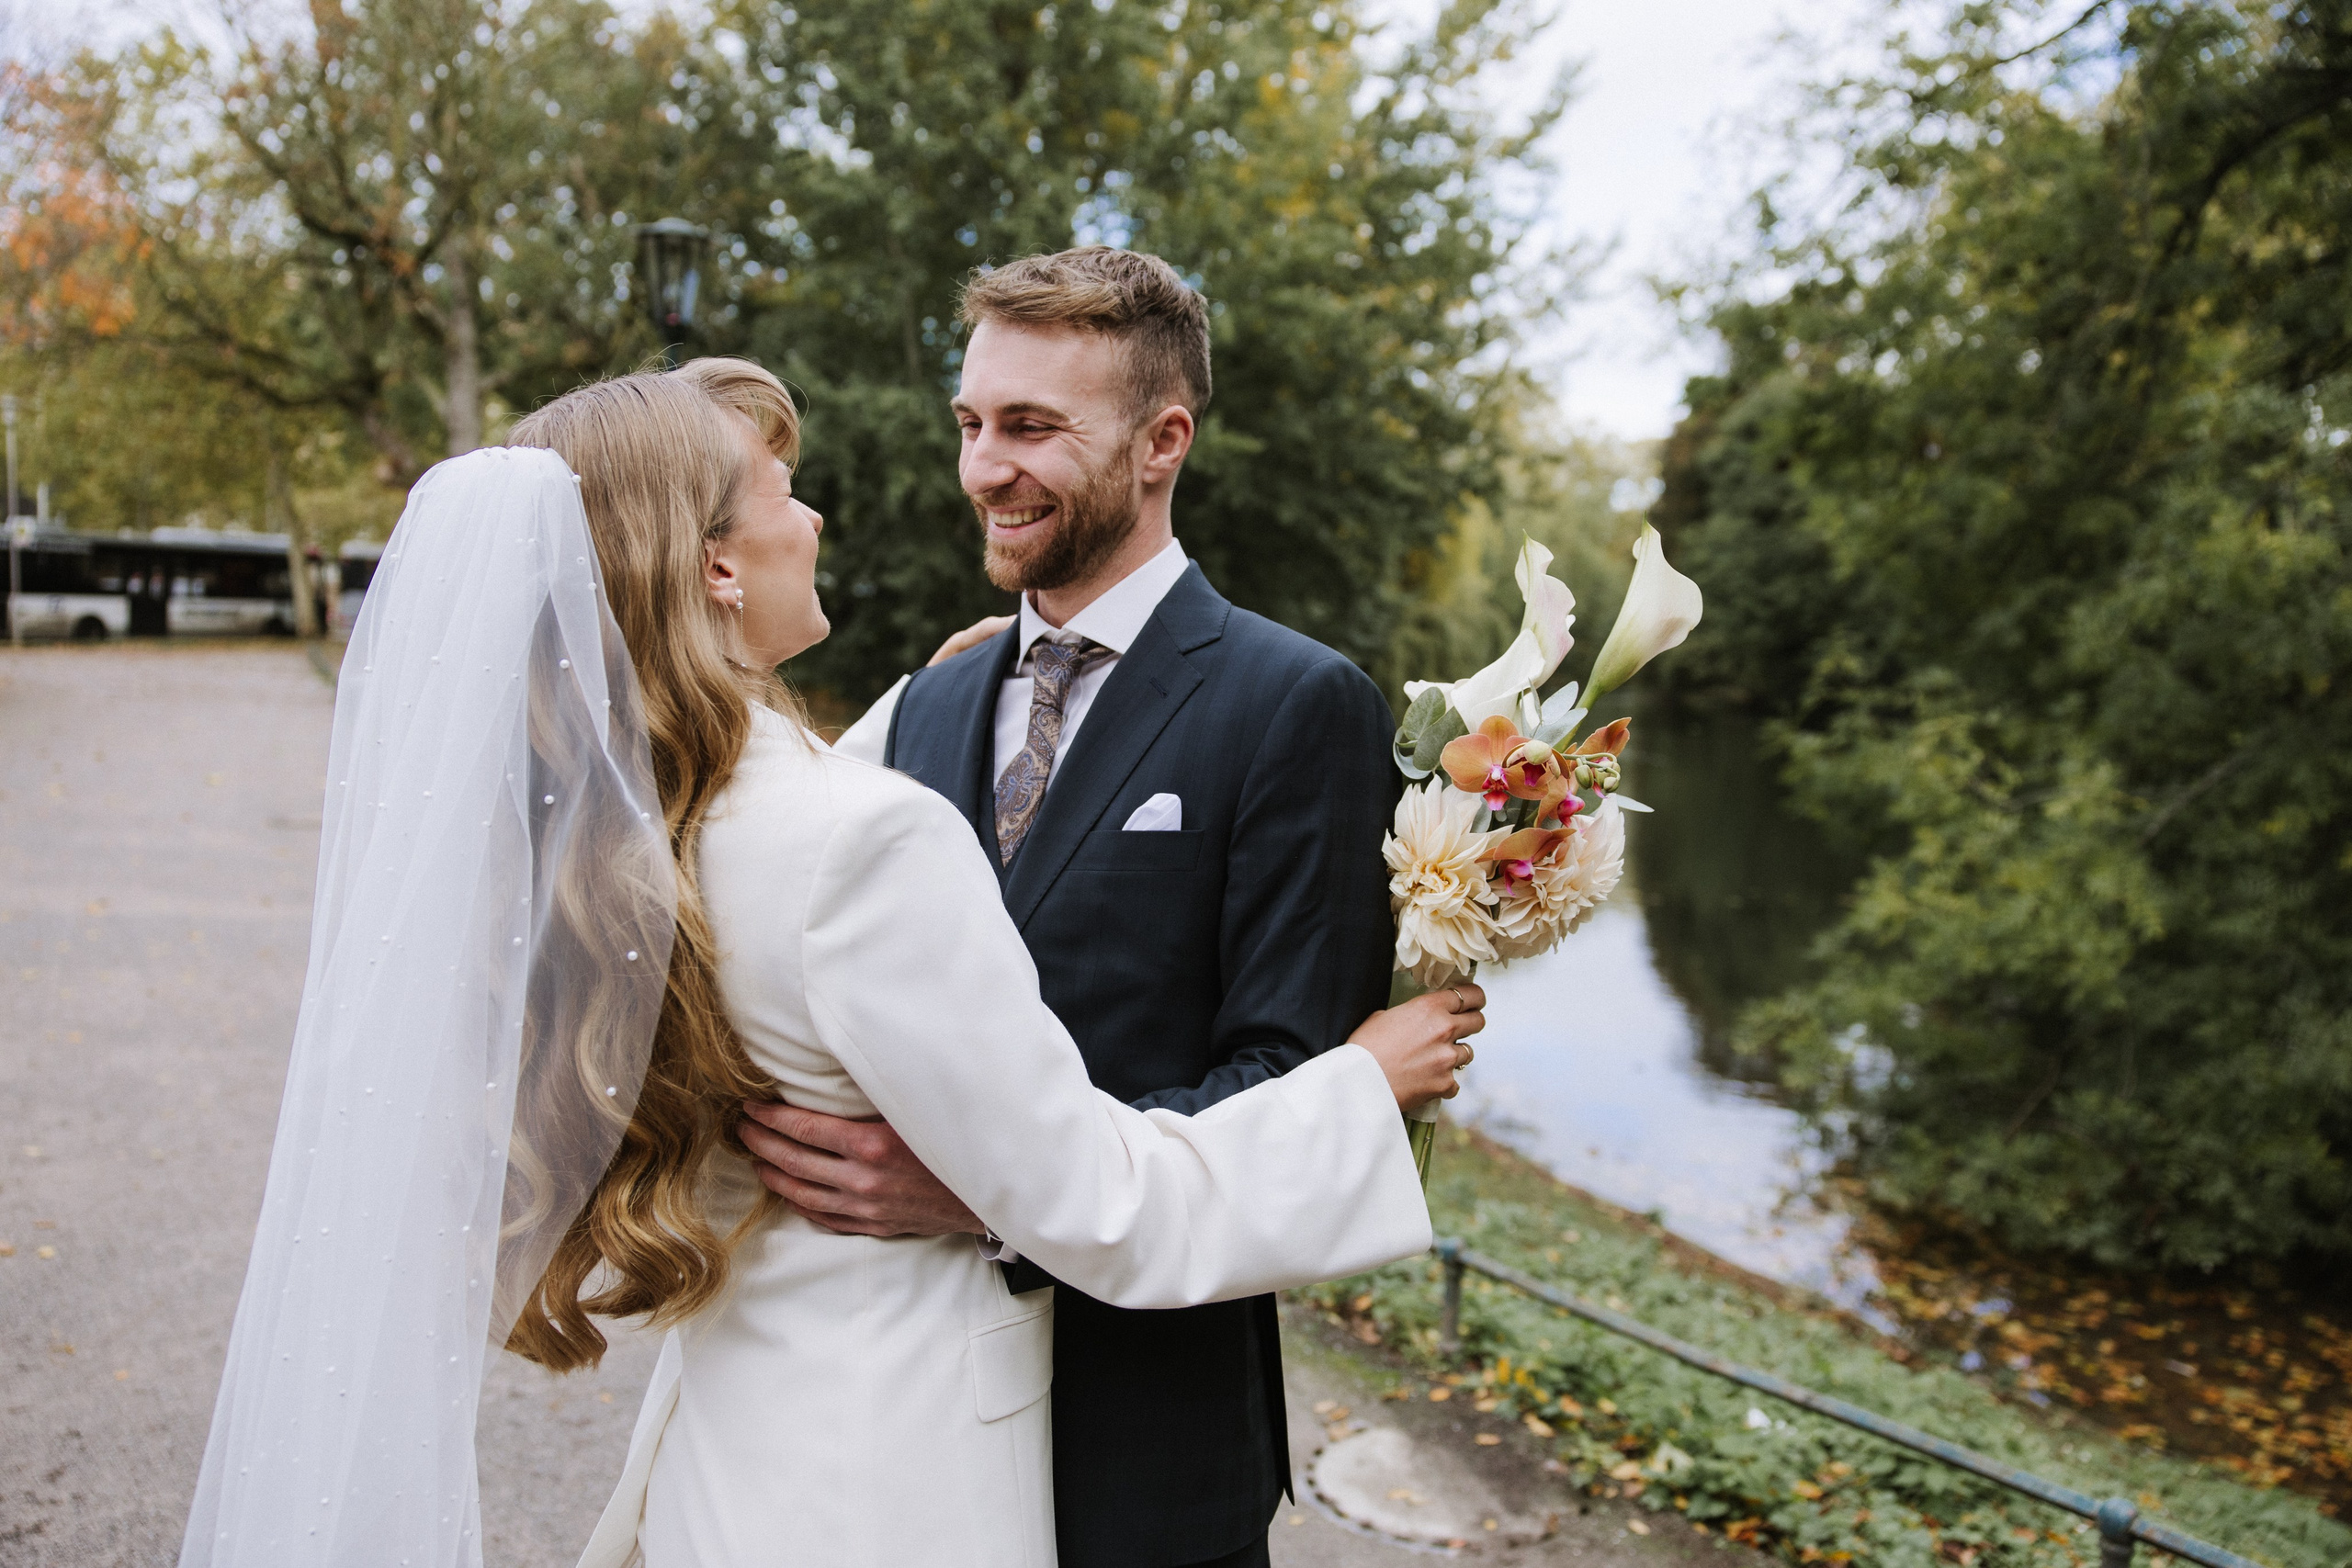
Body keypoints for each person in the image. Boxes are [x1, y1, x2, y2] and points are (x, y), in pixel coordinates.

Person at [177, 356, 1484, 1568]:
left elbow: (792, 816)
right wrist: (1360, 1086)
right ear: (720, 569)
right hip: (892, 1469)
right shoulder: (860, 839)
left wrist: (964, 701)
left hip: (739, 1444)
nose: (814, 520)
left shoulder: (629, 822)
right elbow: (1103, 1201)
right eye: (783, 496)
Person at [753, 246, 1417, 1568]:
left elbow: (1301, 1085)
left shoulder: (1301, 705)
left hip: (1148, 1445)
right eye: (972, 423)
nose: (984, 467)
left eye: (1032, 428)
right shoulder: (932, 704)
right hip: (910, 1424)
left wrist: (989, 1192)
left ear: (1163, 439)